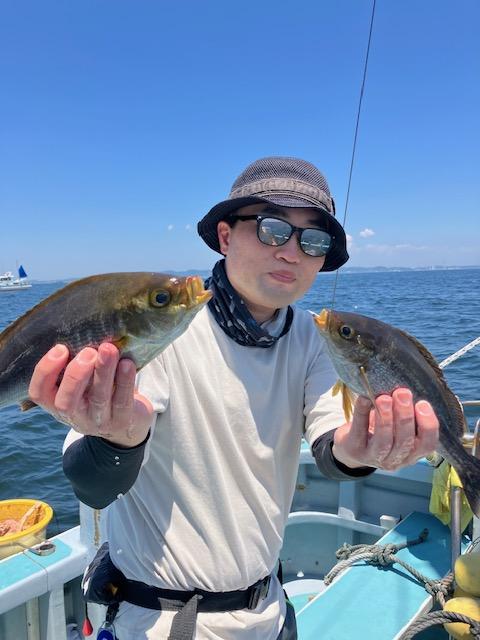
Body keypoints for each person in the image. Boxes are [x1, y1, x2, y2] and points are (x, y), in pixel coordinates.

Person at [29, 157, 439, 640]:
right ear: (225, 237)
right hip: (164, 620)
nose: (291, 252)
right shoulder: (160, 326)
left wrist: (362, 450)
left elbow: (333, 443)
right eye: (272, 229)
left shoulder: (312, 338)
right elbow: (92, 487)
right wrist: (119, 440)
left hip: (271, 609)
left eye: (313, 241)